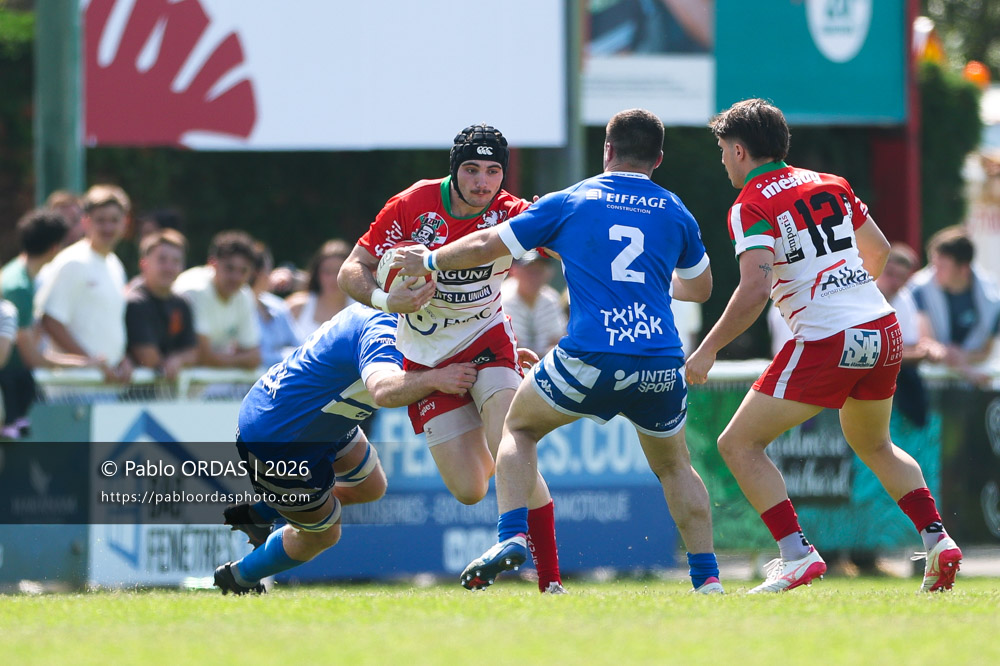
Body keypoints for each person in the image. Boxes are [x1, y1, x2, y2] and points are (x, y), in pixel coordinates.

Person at [395, 109, 723, 594]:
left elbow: (488, 243)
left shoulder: (573, 200)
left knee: (518, 428)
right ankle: (708, 580)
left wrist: (427, 258)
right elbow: (701, 289)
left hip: (592, 353)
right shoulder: (675, 209)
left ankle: (510, 536)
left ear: (606, 150)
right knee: (676, 467)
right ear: (657, 158)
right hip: (659, 358)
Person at [684, 98, 961, 593]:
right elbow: (877, 251)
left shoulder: (750, 204)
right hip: (882, 328)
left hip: (828, 337)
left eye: (724, 150)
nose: (723, 160)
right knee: (875, 444)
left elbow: (752, 291)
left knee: (739, 443)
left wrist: (707, 350)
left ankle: (795, 553)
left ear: (742, 150)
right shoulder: (830, 182)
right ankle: (937, 539)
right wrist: (848, 295)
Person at [338, 124, 566, 593]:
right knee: (470, 489)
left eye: (493, 171)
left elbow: (571, 243)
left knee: (510, 436)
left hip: (489, 339)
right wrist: (387, 301)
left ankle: (544, 574)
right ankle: (512, 482)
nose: (483, 182)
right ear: (454, 170)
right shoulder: (412, 204)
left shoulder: (511, 213)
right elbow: (350, 270)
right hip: (426, 356)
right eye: (472, 169)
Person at [215, 299, 478, 594]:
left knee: (371, 486)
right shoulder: (384, 329)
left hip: (313, 415)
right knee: (323, 534)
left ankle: (261, 512)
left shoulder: (391, 315)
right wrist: (435, 379)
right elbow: (383, 390)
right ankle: (240, 577)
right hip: (281, 438)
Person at [35, 184, 133, 383]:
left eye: (114, 220)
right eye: (100, 220)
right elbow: (51, 321)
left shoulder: (116, 265)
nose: (108, 227)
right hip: (72, 386)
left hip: (106, 384)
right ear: (86, 222)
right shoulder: (72, 261)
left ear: (125, 223)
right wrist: (89, 362)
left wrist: (121, 359)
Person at [0, 208, 69, 435]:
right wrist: (82, 364)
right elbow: (29, 355)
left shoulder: (22, 279)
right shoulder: (17, 287)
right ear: (54, 248)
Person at [909, 226, 1000, 385]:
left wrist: (964, 358)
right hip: (929, 385)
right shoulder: (918, 289)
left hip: (976, 388)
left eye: (942, 266)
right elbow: (925, 342)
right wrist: (967, 372)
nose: (934, 271)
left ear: (963, 268)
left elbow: (986, 351)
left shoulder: (993, 297)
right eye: (933, 264)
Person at [173, 230, 261, 369]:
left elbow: (254, 358)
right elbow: (204, 356)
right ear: (212, 263)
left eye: (243, 271)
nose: (236, 278)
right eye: (229, 268)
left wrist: (219, 359)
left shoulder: (244, 295)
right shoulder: (195, 290)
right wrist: (237, 359)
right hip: (167, 384)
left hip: (203, 385)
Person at [125, 229, 198, 380]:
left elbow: (193, 352)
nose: (169, 267)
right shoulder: (135, 302)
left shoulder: (182, 302)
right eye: (162, 260)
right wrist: (175, 360)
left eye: (176, 261)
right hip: (129, 394)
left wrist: (178, 360)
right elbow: (148, 358)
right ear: (144, 264)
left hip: (164, 396)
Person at [501, 250, 567, 357]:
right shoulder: (503, 297)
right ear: (514, 271)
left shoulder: (551, 298)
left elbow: (556, 340)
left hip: (543, 364)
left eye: (539, 271)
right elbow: (511, 346)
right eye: (529, 271)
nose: (534, 277)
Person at [286, 239, 353, 340]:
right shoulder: (296, 307)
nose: (332, 279)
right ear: (317, 274)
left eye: (338, 271)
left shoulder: (362, 309)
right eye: (327, 272)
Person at [251, 241, 301, 367]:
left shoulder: (278, 305)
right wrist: (284, 356)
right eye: (268, 269)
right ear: (257, 273)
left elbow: (301, 348)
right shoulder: (235, 309)